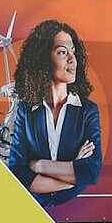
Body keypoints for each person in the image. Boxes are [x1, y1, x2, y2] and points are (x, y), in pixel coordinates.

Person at [7, 19, 102, 207]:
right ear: (43, 59)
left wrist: (39, 166)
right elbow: (18, 173)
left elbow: (91, 171)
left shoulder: (88, 111)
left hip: (76, 209)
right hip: (34, 212)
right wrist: (73, 170)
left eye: (73, 51)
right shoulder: (26, 111)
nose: (72, 59)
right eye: (62, 52)